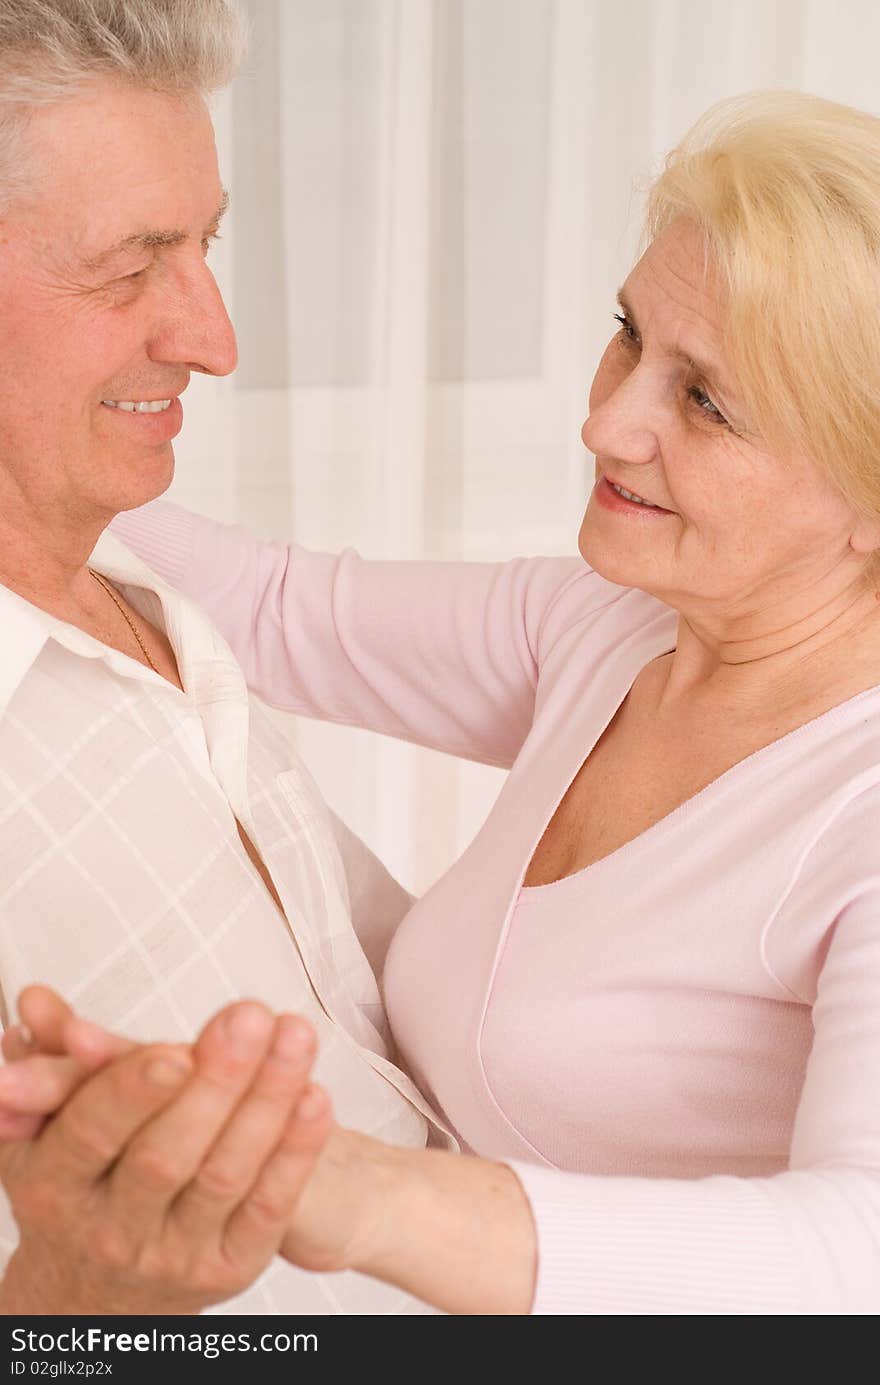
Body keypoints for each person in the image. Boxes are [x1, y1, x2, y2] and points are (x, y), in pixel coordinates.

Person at [7, 87, 880, 1314]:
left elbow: (853, 1259)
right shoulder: (612, 628)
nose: (606, 421)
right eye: (630, 336)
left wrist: (338, 1187)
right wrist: (46, 424)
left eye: (706, 402)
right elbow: (275, 606)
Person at [0, 0, 453, 1316]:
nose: (213, 339)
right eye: (131, 266)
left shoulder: (149, 586)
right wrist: (72, 1301)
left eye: (204, 245)